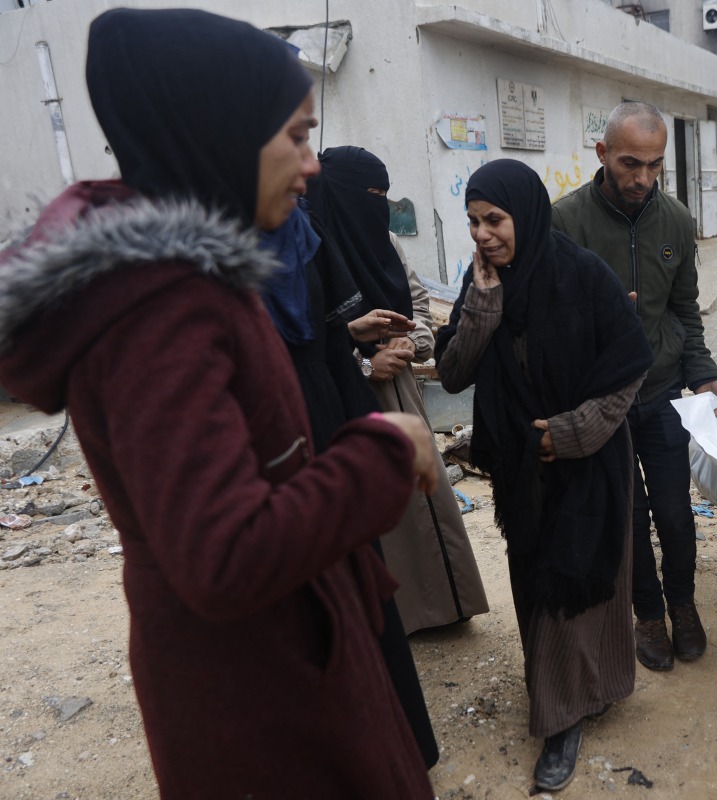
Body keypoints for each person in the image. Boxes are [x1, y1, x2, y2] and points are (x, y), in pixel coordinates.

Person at [0, 9, 437, 798]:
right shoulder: (157, 308)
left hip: (285, 655)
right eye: (295, 138)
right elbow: (225, 554)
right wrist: (385, 453)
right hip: (256, 697)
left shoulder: (197, 276)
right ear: (221, 131)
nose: (311, 168)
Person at [434, 159, 653, 792]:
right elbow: (452, 374)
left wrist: (573, 431)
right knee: (541, 586)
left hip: (590, 464)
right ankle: (564, 708)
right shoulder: (484, 283)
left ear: (524, 215)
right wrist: (482, 305)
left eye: (494, 219)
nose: (482, 234)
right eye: (473, 221)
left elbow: (629, 362)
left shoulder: (583, 276)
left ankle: (578, 706)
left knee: (587, 581)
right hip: (522, 475)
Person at [258, 202, 440, 768]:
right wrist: (372, 451)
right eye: (289, 136)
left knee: (365, 621)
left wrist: (348, 334)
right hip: (295, 481)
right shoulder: (188, 284)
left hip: (337, 437)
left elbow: (317, 340)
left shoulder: (297, 231)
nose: (305, 165)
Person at [551, 101, 717, 673]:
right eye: (631, 163)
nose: (643, 178)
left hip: (661, 394)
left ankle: (684, 603)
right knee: (628, 517)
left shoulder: (675, 220)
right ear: (602, 154)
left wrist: (702, 371)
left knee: (676, 513)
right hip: (602, 404)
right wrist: (597, 323)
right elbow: (549, 318)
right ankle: (647, 611)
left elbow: (685, 310)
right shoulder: (564, 223)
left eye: (655, 166)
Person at [305, 146, 490, 634]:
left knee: (423, 504)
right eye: (370, 194)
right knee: (381, 514)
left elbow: (421, 309)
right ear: (342, 194)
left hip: (403, 395)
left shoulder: (384, 242)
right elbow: (309, 339)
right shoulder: (314, 251)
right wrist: (365, 362)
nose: (379, 204)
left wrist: (408, 342)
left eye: (385, 194)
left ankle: (446, 606)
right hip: (351, 403)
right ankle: (399, 619)